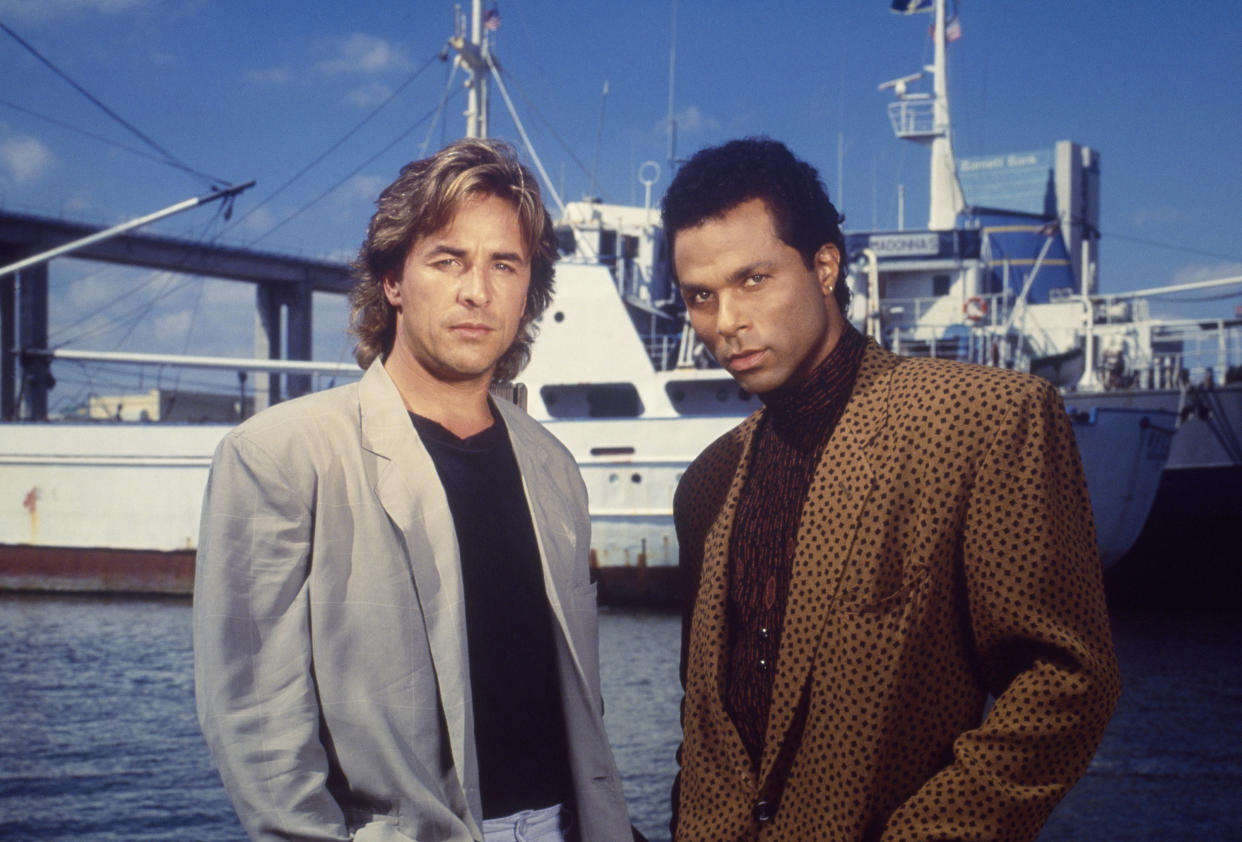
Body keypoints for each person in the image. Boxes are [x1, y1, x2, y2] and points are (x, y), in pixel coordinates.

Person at [662, 137, 1121, 841]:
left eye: (752, 280)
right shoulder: (706, 484)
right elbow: (707, 720)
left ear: (823, 266)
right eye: (702, 296)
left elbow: (1066, 681)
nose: (725, 322)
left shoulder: (983, 420)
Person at [194, 138, 634, 842]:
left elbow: (576, 697)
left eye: (504, 265)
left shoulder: (553, 467)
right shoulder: (280, 456)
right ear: (393, 280)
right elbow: (257, 726)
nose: (477, 291)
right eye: (448, 259)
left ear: (530, 291)